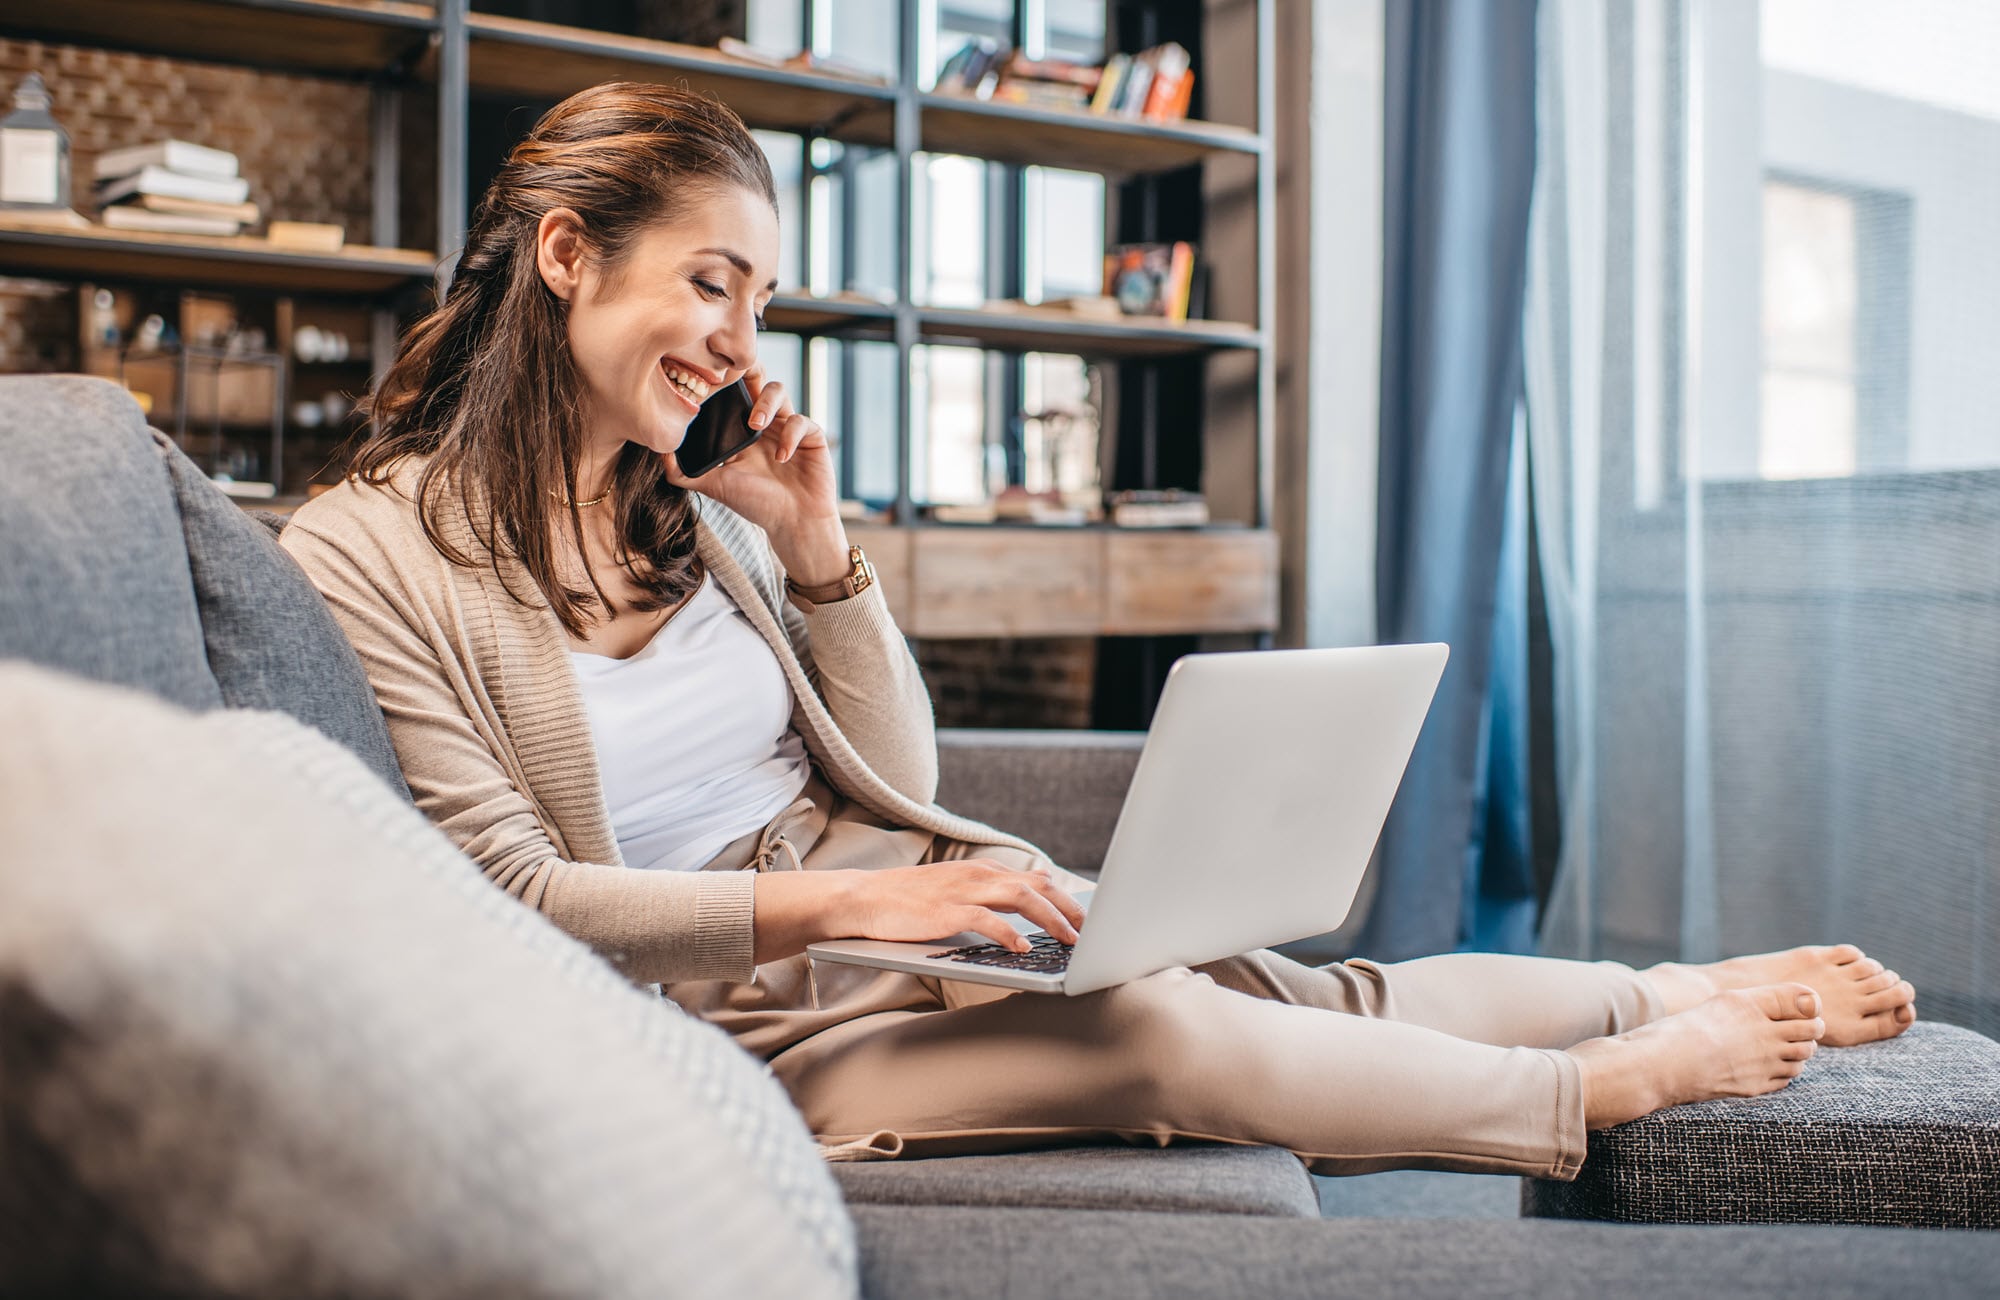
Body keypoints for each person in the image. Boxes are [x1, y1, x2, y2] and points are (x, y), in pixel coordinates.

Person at [282, 82, 1918, 1177]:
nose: (737, 337)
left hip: (872, 910)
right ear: (568, 257)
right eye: (712, 284)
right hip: (727, 1025)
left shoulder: (696, 517)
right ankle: (1595, 1093)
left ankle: (1660, 988)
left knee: (1285, 988)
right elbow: (510, 894)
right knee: (1155, 1026)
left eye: (759, 302)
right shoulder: (369, 551)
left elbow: (898, 775)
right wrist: (898, 908)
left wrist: (822, 556)